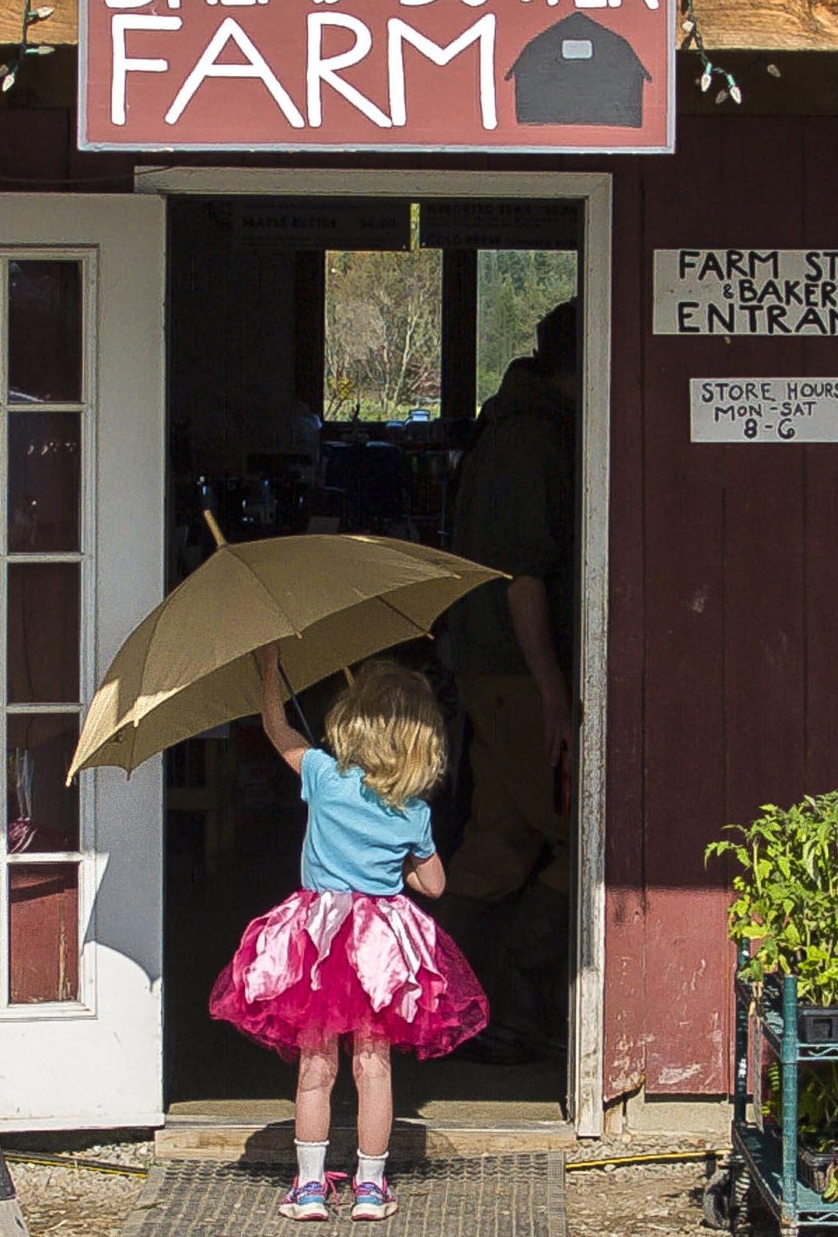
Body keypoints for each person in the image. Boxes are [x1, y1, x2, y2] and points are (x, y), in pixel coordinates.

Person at [211, 647, 489, 1223]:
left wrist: (270, 669)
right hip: (378, 949)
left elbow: (276, 727)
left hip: (317, 941)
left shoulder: (322, 775)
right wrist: (403, 865)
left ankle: (310, 1189)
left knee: (316, 1067)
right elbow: (434, 886)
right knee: (373, 1065)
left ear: (351, 722)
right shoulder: (412, 811)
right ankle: (369, 1187)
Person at [434, 298, 578, 1063]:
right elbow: (525, 578)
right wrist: (554, 692)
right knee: (579, 835)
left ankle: (437, 1006)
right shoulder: (534, 439)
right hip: (518, 676)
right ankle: (516, 1012)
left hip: (490, 669)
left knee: (500, 840)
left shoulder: (509, 426)